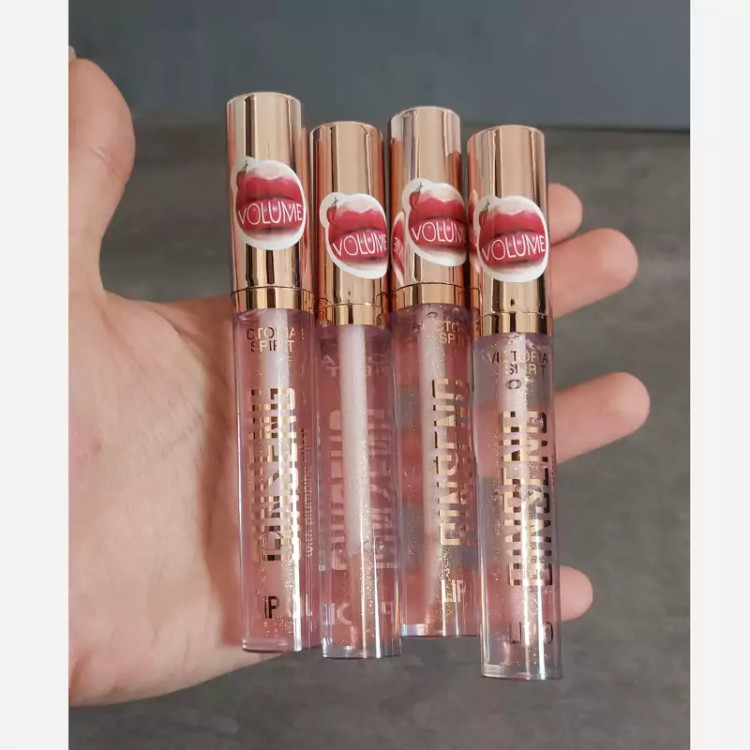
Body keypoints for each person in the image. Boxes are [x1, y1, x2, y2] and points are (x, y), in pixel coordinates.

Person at [69, 57, 650, 706]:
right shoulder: (298, 310)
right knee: (336, 455)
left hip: (431, 315)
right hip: (307, 312)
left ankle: (458, 617)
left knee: (475, 466)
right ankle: (304, 607)